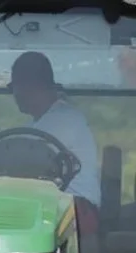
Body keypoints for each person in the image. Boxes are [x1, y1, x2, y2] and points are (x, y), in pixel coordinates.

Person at [7, 52, 100, 234]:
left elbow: (20, 164)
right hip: (51, 204)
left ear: (34, 85)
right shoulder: (35, 124)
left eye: (15, 86)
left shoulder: (64, 120)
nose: (15, 94)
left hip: (76, 210)